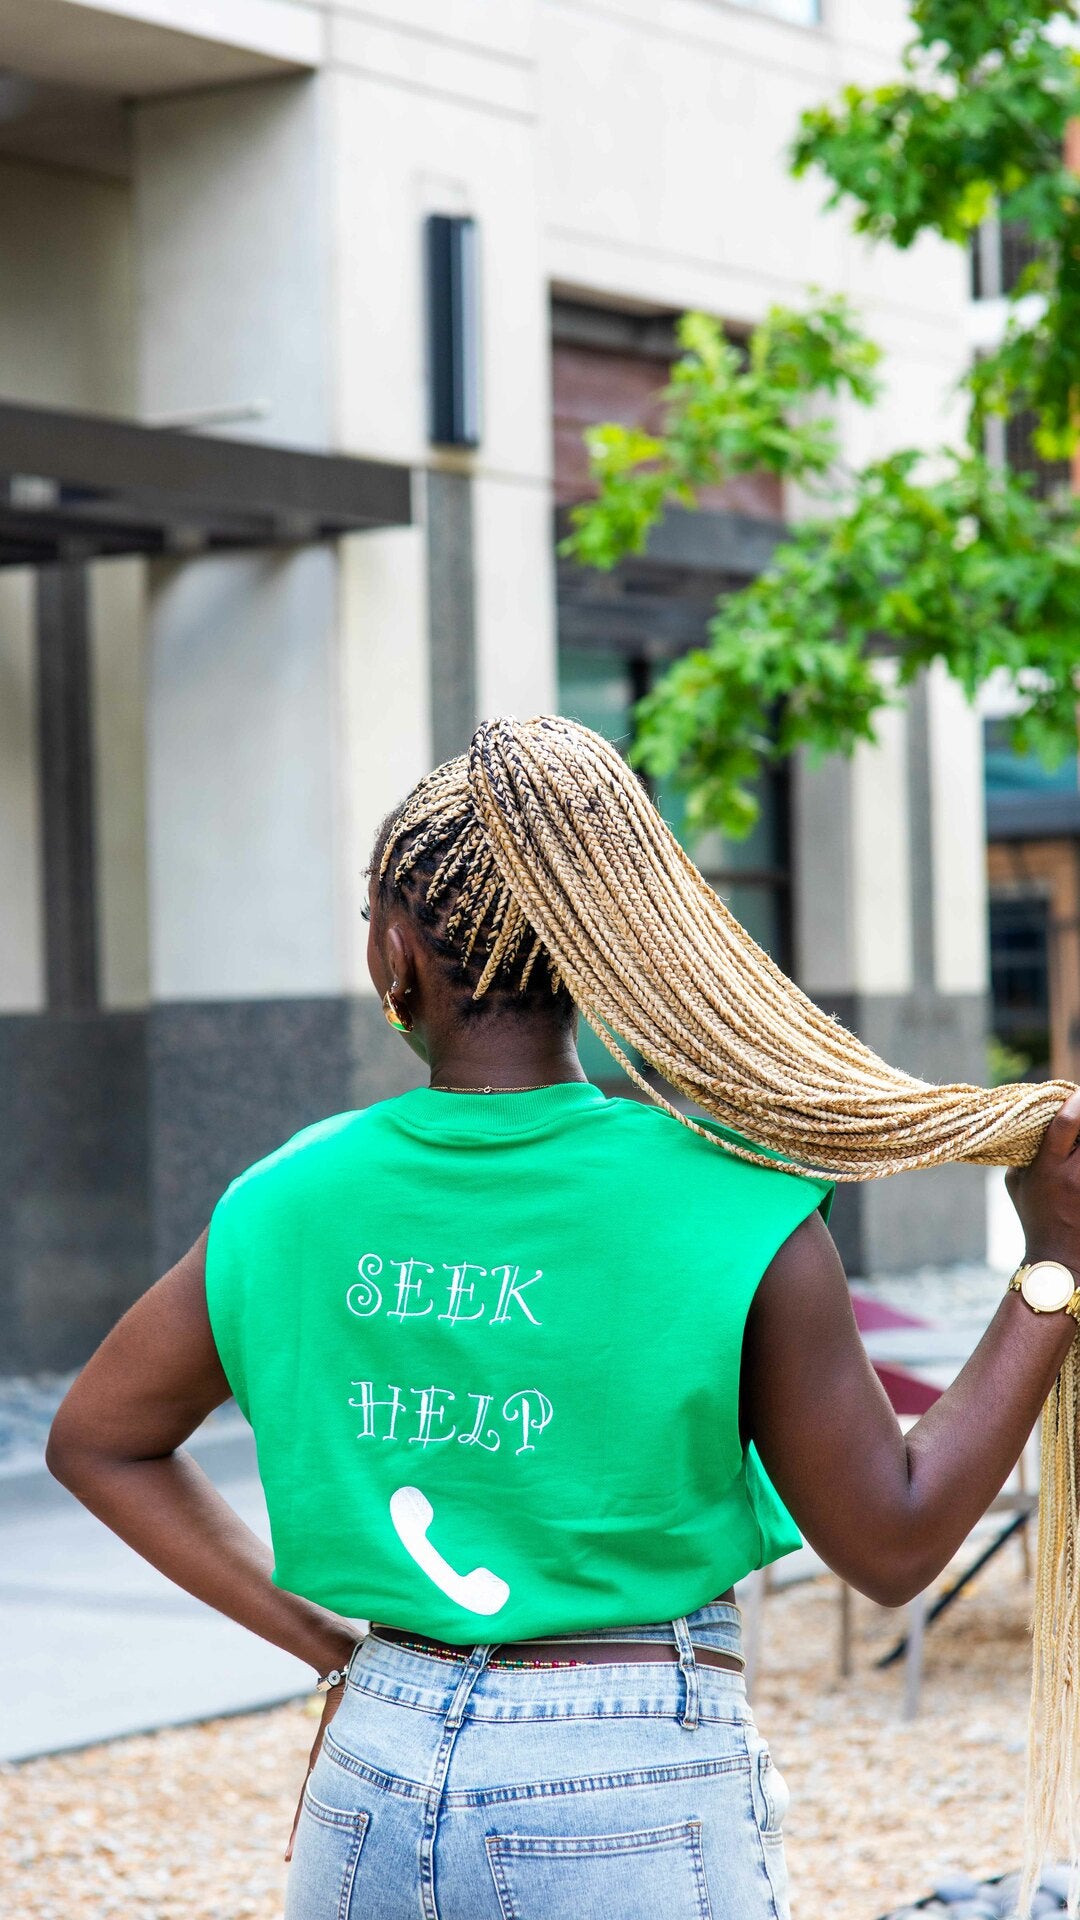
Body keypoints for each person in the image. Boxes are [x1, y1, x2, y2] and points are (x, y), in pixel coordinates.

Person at [47, 716, 1080, 1920]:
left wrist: (336, 1647)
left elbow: (98, 1437)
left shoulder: (285, 1198)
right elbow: (896, 1541)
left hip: (371, 1770)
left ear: (397, 954)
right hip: (628, 1782)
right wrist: (1051, 1264)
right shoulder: (730, 1200)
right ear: (599, 952)